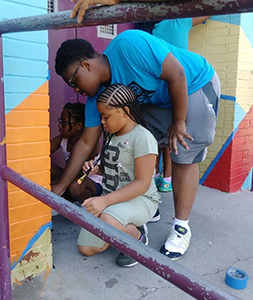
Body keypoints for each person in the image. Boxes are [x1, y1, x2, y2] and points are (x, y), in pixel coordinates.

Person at [53, 29, 220, 260]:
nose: (75, 90)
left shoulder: (129, 45)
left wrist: (179, 122)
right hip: (157, 101)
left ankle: (181, 227)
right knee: (135, 143)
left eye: (73, 81)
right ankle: (146, 206)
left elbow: (177, 74)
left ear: (86, 65)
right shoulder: (97, 98)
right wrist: (60, 188)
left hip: (192, 84)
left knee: (182, 151)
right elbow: (85, 142)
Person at [77, 83, 160, 267]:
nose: (102, 122)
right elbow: (114, 166)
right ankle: (121, 225)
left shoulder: (142, 138)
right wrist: (96, 168)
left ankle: (137, 239)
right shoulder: (111, 136)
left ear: (124, 111)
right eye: (101, 116)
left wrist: (104, 202)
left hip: (141, 199)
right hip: (115, 199)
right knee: (86, 248)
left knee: (107, 219)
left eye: (106, 116)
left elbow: (142, 184)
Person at [151, 16, 210, 195]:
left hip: (170, 85)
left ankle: (162, 176)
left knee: (163, 138)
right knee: (167, 138)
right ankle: (164, 177)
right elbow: (206, 11)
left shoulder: (173, 22)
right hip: (173, 85)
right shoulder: (178, 21)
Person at [51, 102, 102, 204]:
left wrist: (54, 185)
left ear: (78, 126)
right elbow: (41, 154)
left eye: (64, 122)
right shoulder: (62, 139)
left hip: (90, 183)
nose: (60, 126)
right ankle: (68, 199)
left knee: (75, 186)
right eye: (60, 121)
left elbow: (78, 172)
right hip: (68, 180)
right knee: (47, 166)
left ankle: (87, 205)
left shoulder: (89, 144)